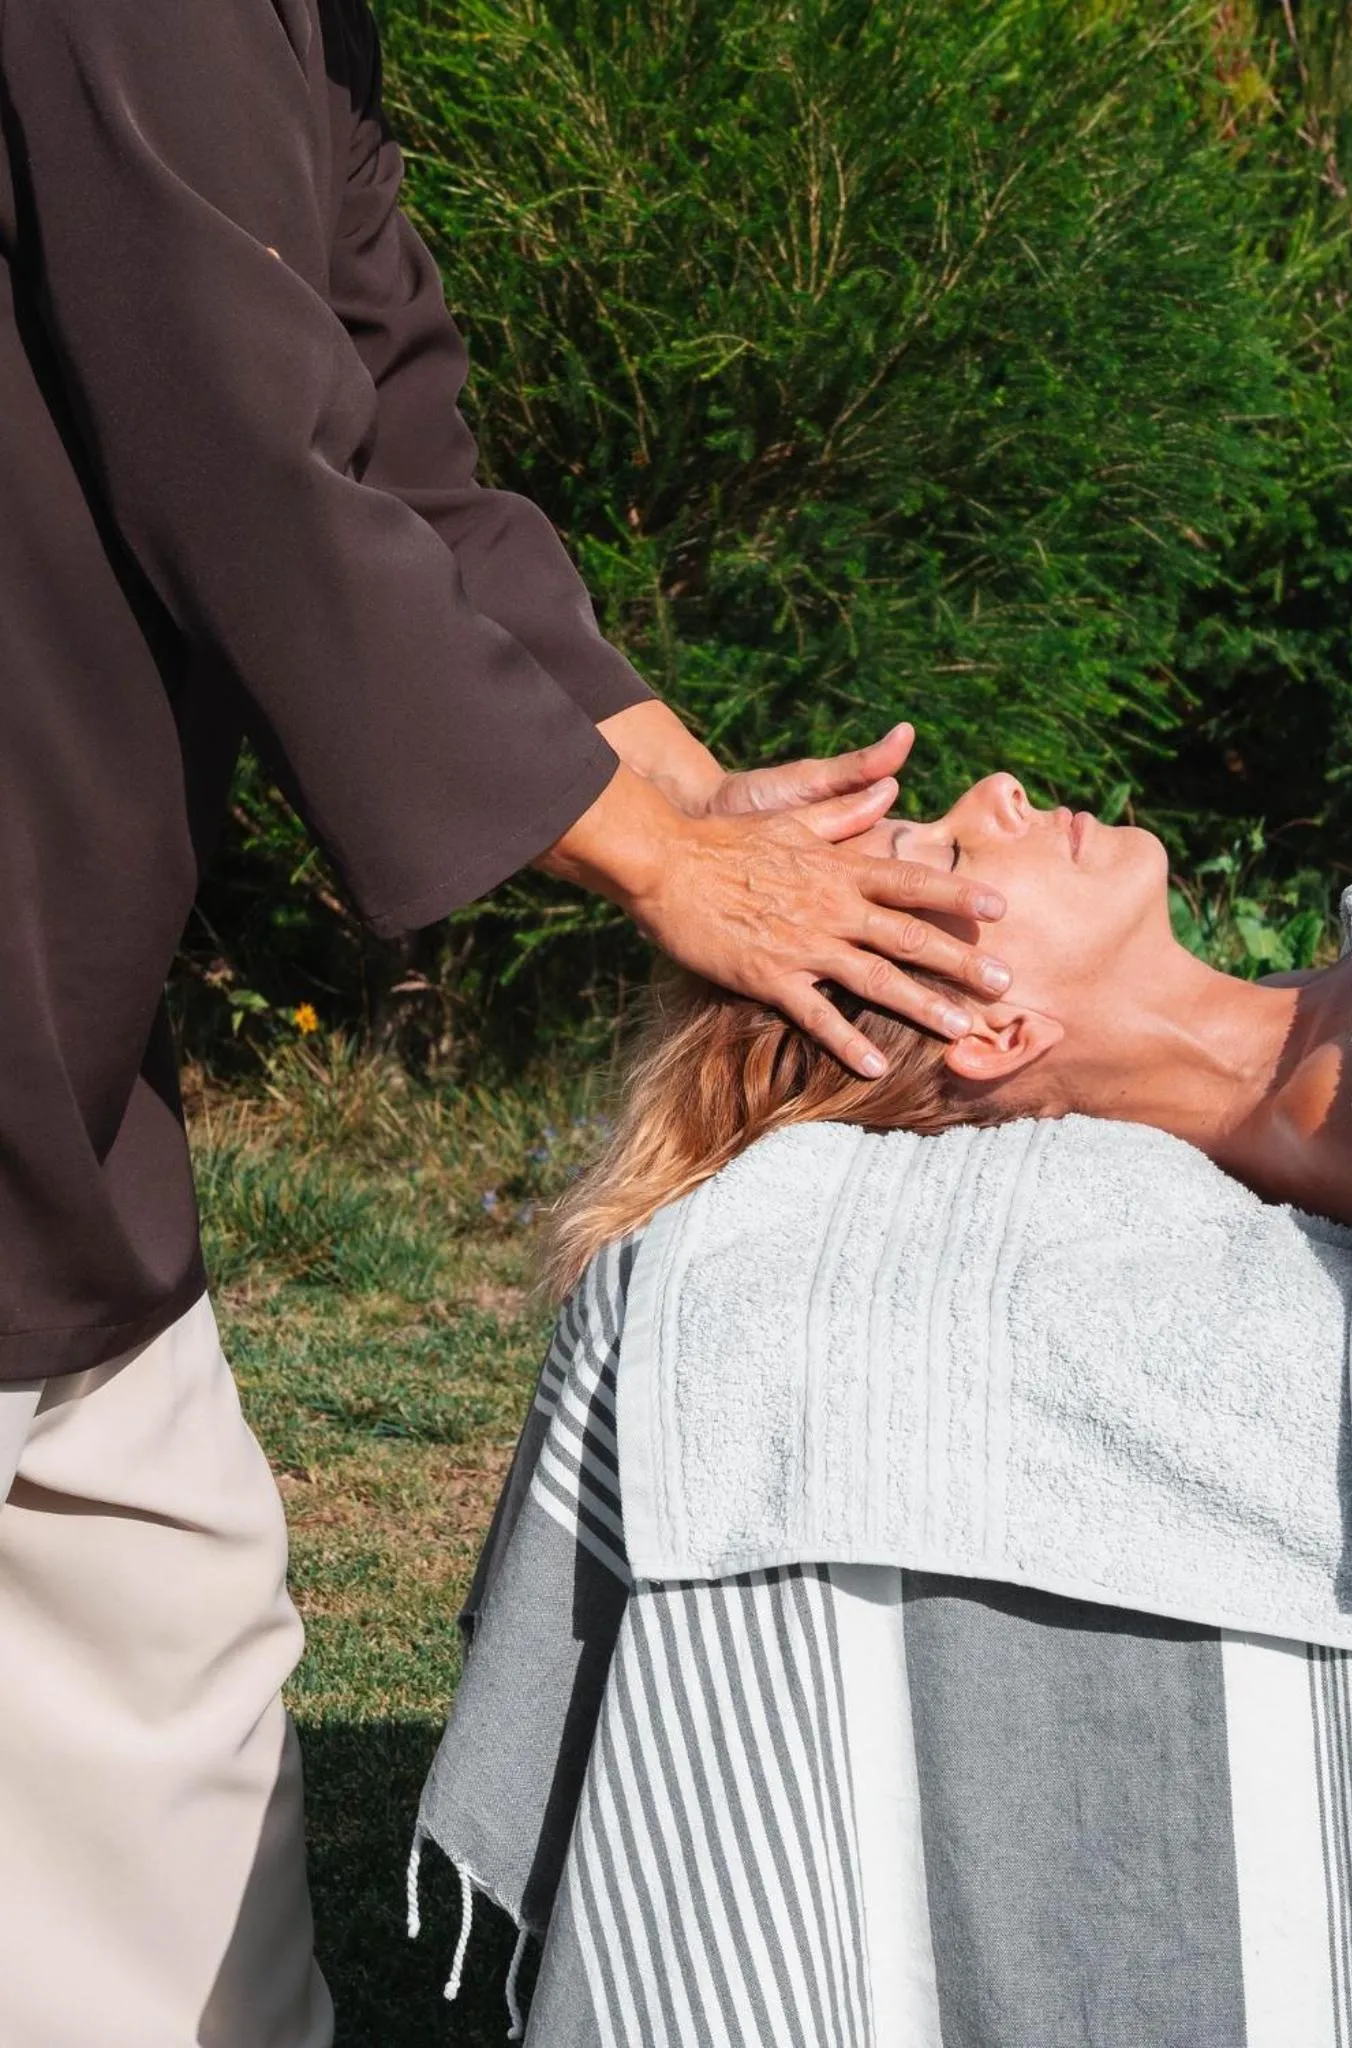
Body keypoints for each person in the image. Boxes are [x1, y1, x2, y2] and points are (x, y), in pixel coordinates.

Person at [0, 2, 1015, 2042]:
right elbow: (249, 469)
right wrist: (658, 864)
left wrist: (696, 798)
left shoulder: (307, 38)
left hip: (57, 1078)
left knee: (157, 1610)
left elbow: (405, 455)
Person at [546, 770, 1352, 1300]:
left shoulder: (1307, 1021)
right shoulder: (1342, 1107)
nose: (997, 788)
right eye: (945, 852)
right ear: (994, 1032)